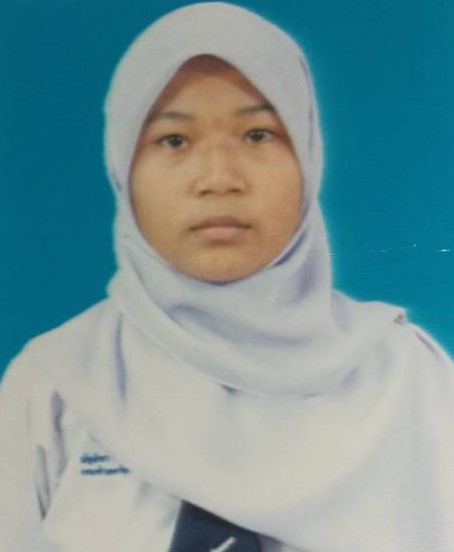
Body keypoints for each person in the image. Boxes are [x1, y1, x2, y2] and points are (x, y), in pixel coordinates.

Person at [1, 2, 454, 551]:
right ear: (122, 168)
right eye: (174, 140)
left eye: (258, 135)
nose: (218, 178)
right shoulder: (53, 387)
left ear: (309, 157)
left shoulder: (409, 378)